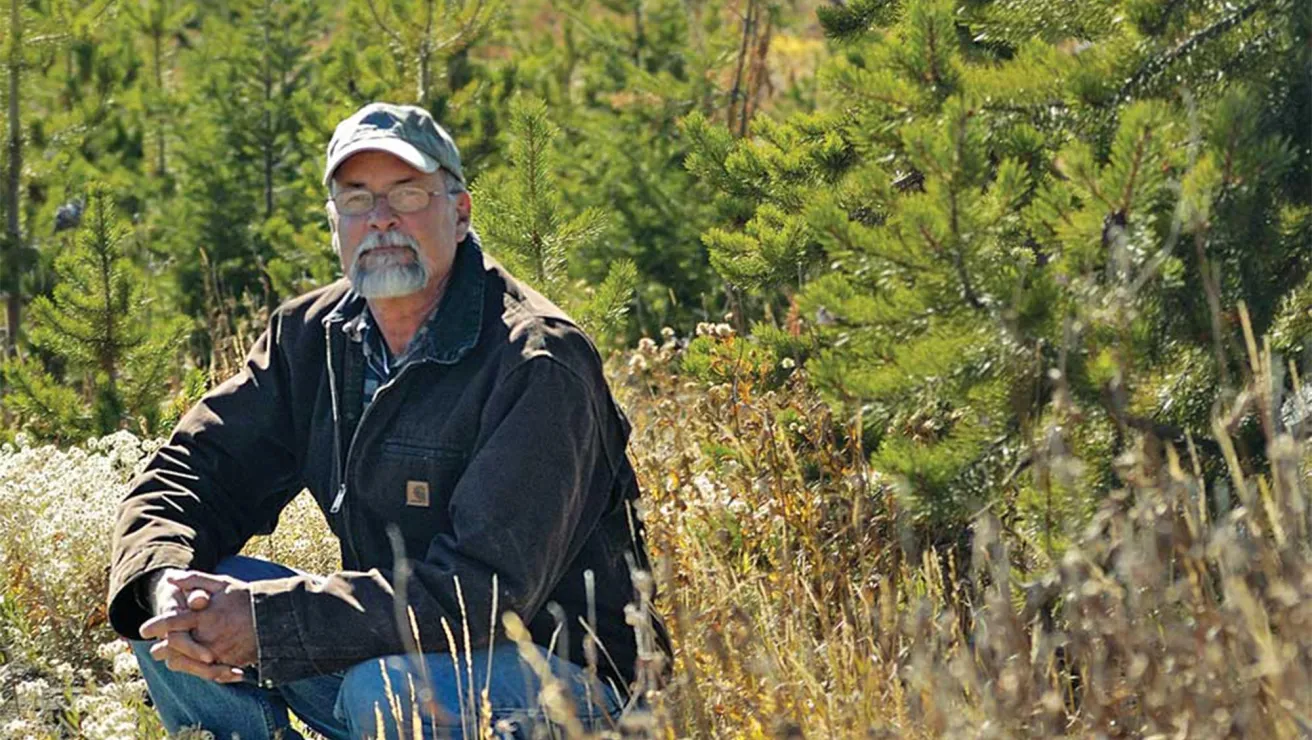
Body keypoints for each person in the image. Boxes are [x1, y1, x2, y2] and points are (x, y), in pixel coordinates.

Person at [107, 102, 670, 739]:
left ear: (459, 213)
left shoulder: (536, 361)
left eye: (407, 194)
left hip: (571, 682)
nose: (381, 220)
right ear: (334, 223)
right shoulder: (311, 336)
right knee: (184, 610)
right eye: (357, 199)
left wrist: (267, 624)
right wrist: (163, 584)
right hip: (398, 648)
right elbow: (191, 471)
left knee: (391, 691)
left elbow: (481, 595)